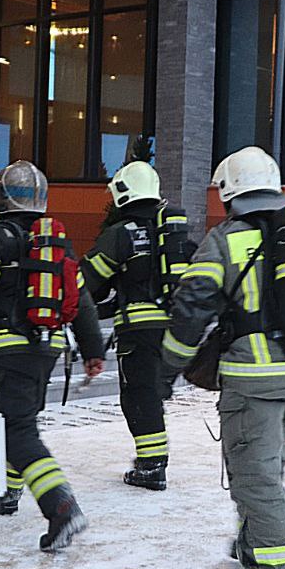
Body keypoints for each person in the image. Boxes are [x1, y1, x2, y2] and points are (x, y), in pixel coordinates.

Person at [160, 147, 285, 569]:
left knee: (255, 477)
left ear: (230, 192)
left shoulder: (226, 239)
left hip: (253, 376)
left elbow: (192, 306)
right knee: (266, 462)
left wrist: (169, 364)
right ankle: (254, 545)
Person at [0, 160, 106, 550]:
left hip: (9, 347)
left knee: (18, 429)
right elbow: (83, 301)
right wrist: (93, 350)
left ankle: (61, 507)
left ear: (0, 197)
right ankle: (9, 492)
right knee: (20, 421)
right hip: (48, 347)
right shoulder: (58, 244)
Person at [81, 161, 192, 490]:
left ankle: (152, 466)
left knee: (138, 395)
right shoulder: (172, 233)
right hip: (172, 328)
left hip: (138, 330)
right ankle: (152, 462)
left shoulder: (121, 233)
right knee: (151, 393)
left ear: (122, 192)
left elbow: (87, 282)